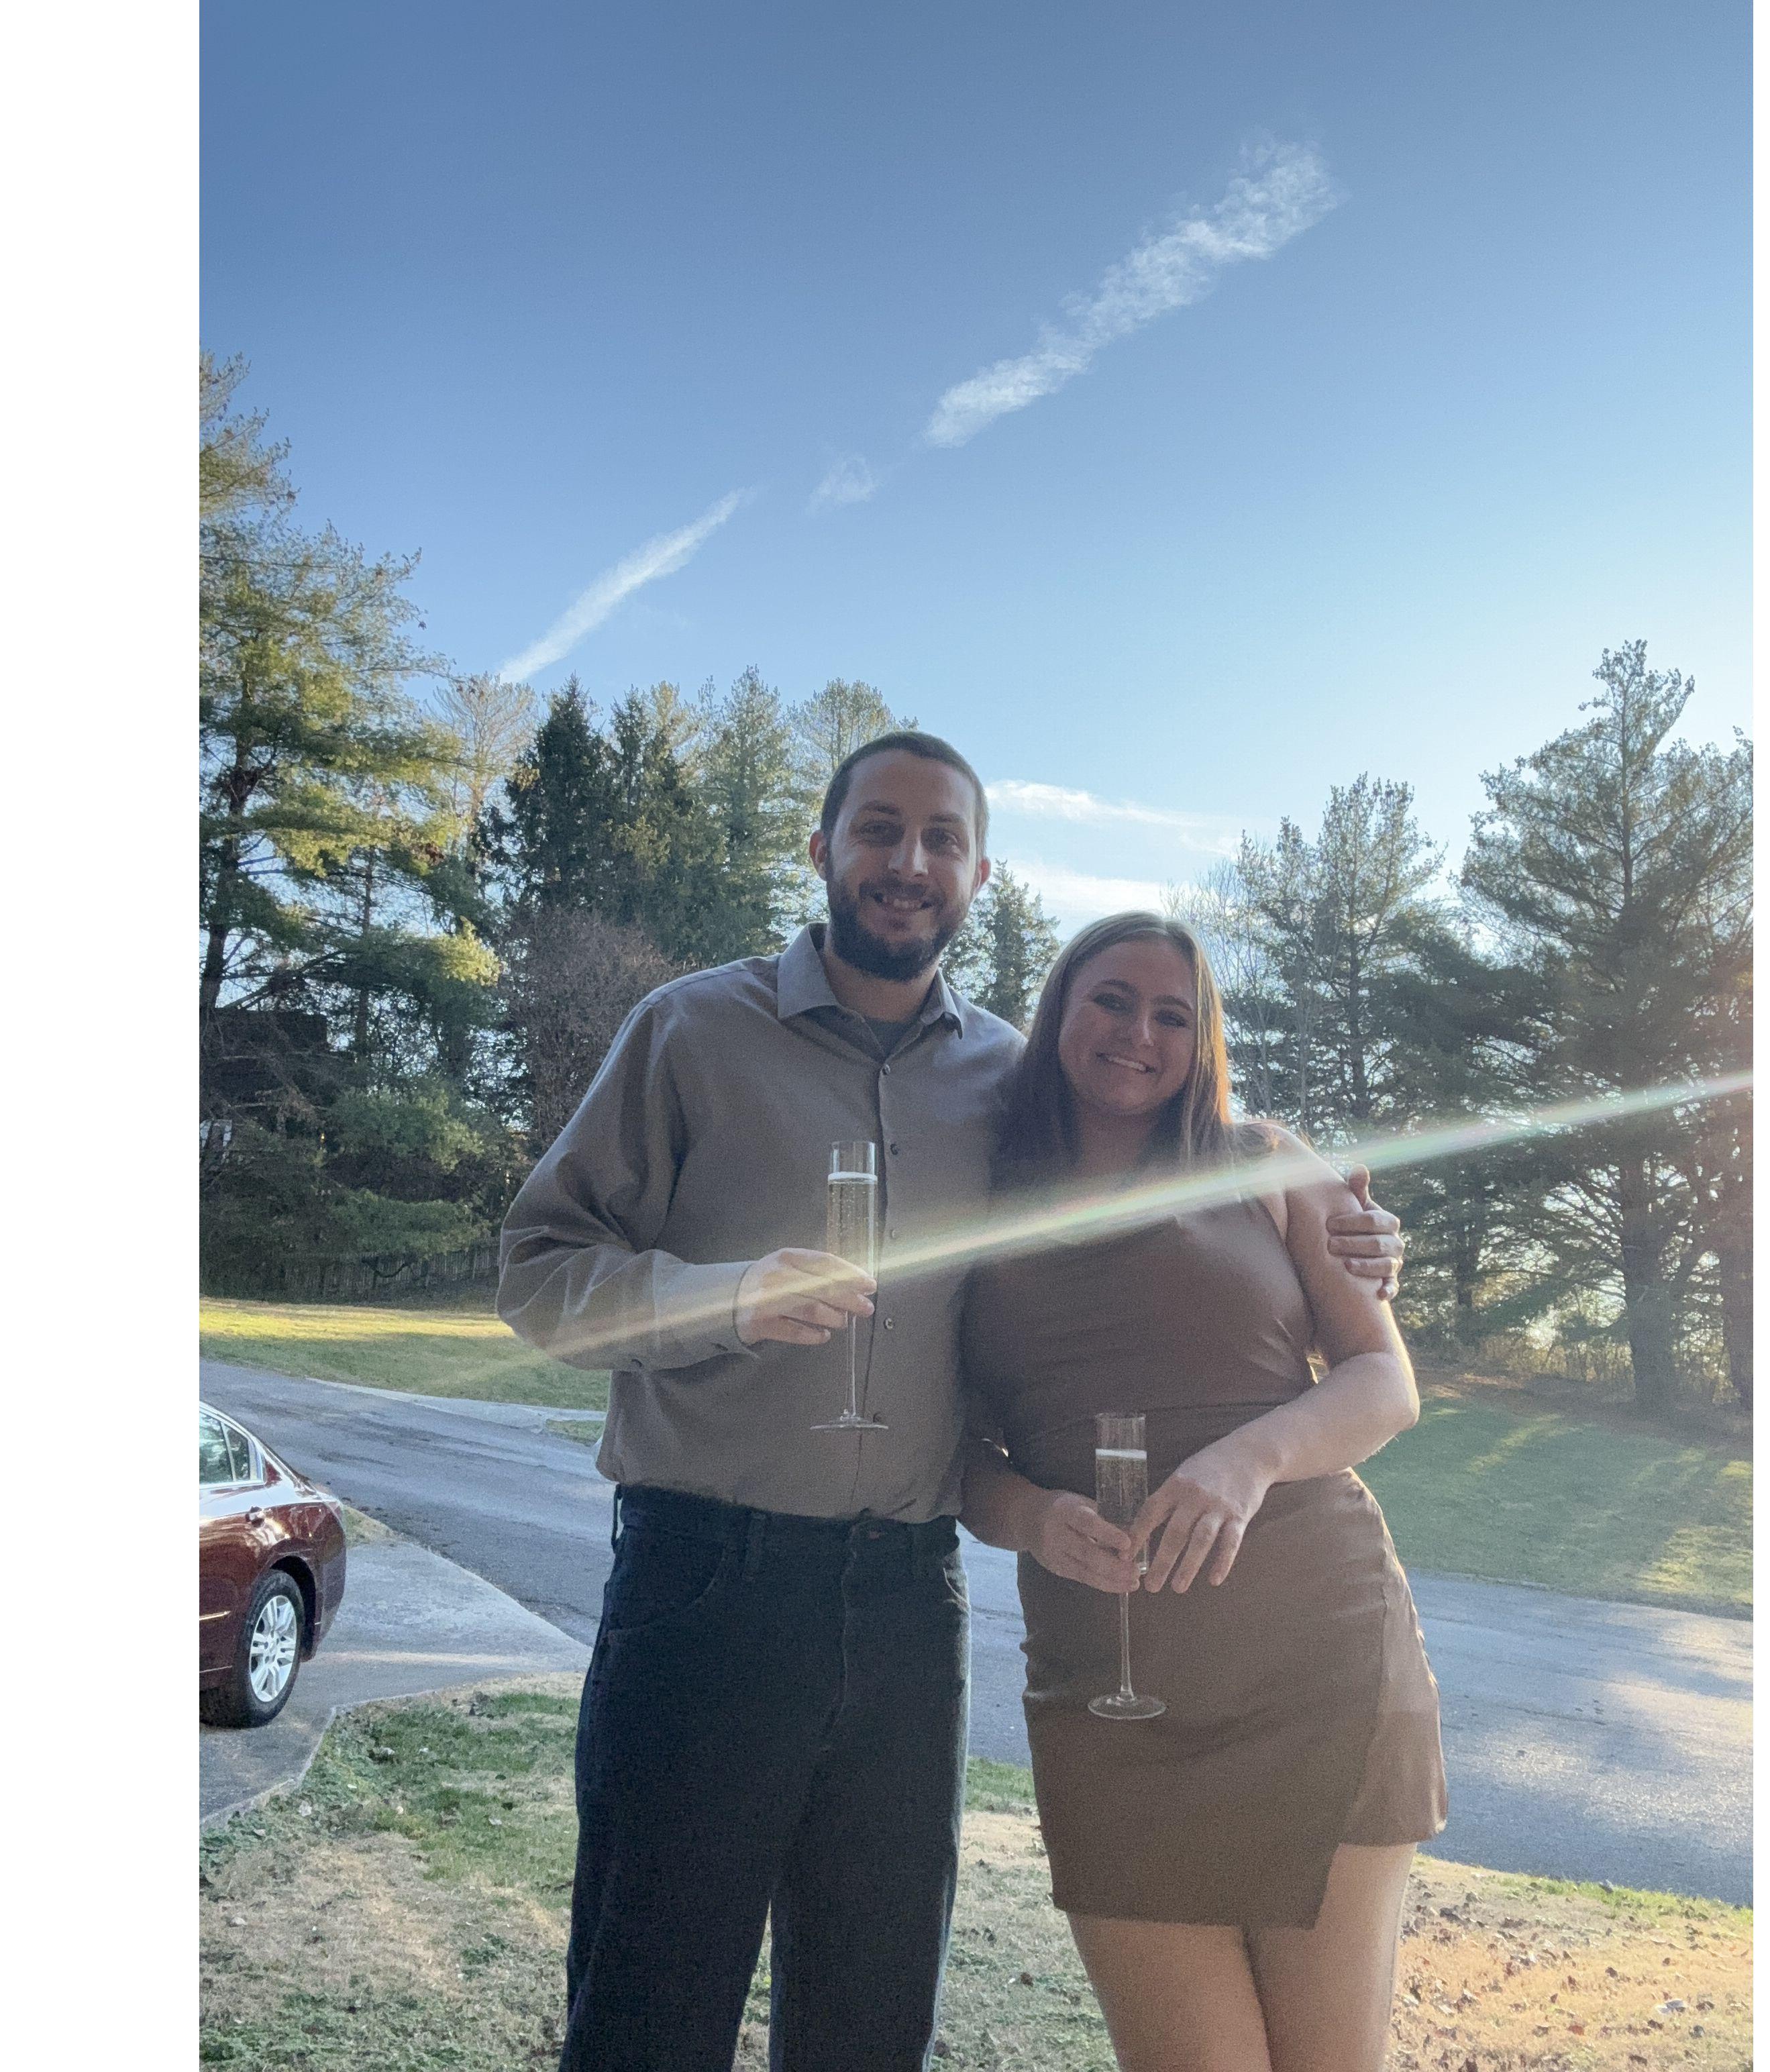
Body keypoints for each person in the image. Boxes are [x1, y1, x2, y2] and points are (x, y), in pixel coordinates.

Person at [497, 735, 1407, 2072]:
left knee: (870, 2023)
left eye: (942, 839)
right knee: (649, 2013)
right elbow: (537, 1273)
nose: (908, 861)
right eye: (878, 828)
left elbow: (1179, 1153)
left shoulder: (1012, 1079)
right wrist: (726, 1295)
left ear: (980, 874)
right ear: (821, 847)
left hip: (909, 1604)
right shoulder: (690, 1030)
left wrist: (1358, 1235)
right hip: (707, 1581)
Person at [958, 911, 1443, 2072]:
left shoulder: (1264, 1160)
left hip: (1318, 1657)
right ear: (1060, 1010)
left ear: (1204, 1039)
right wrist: (1031, 1518)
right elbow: (953, 1452)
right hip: (1107, 1679)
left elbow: (1384, 1382)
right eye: (1112, 1000)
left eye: (1172, 1015)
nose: (1140, 1033)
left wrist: (1247, 1459)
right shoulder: (973, 1196)